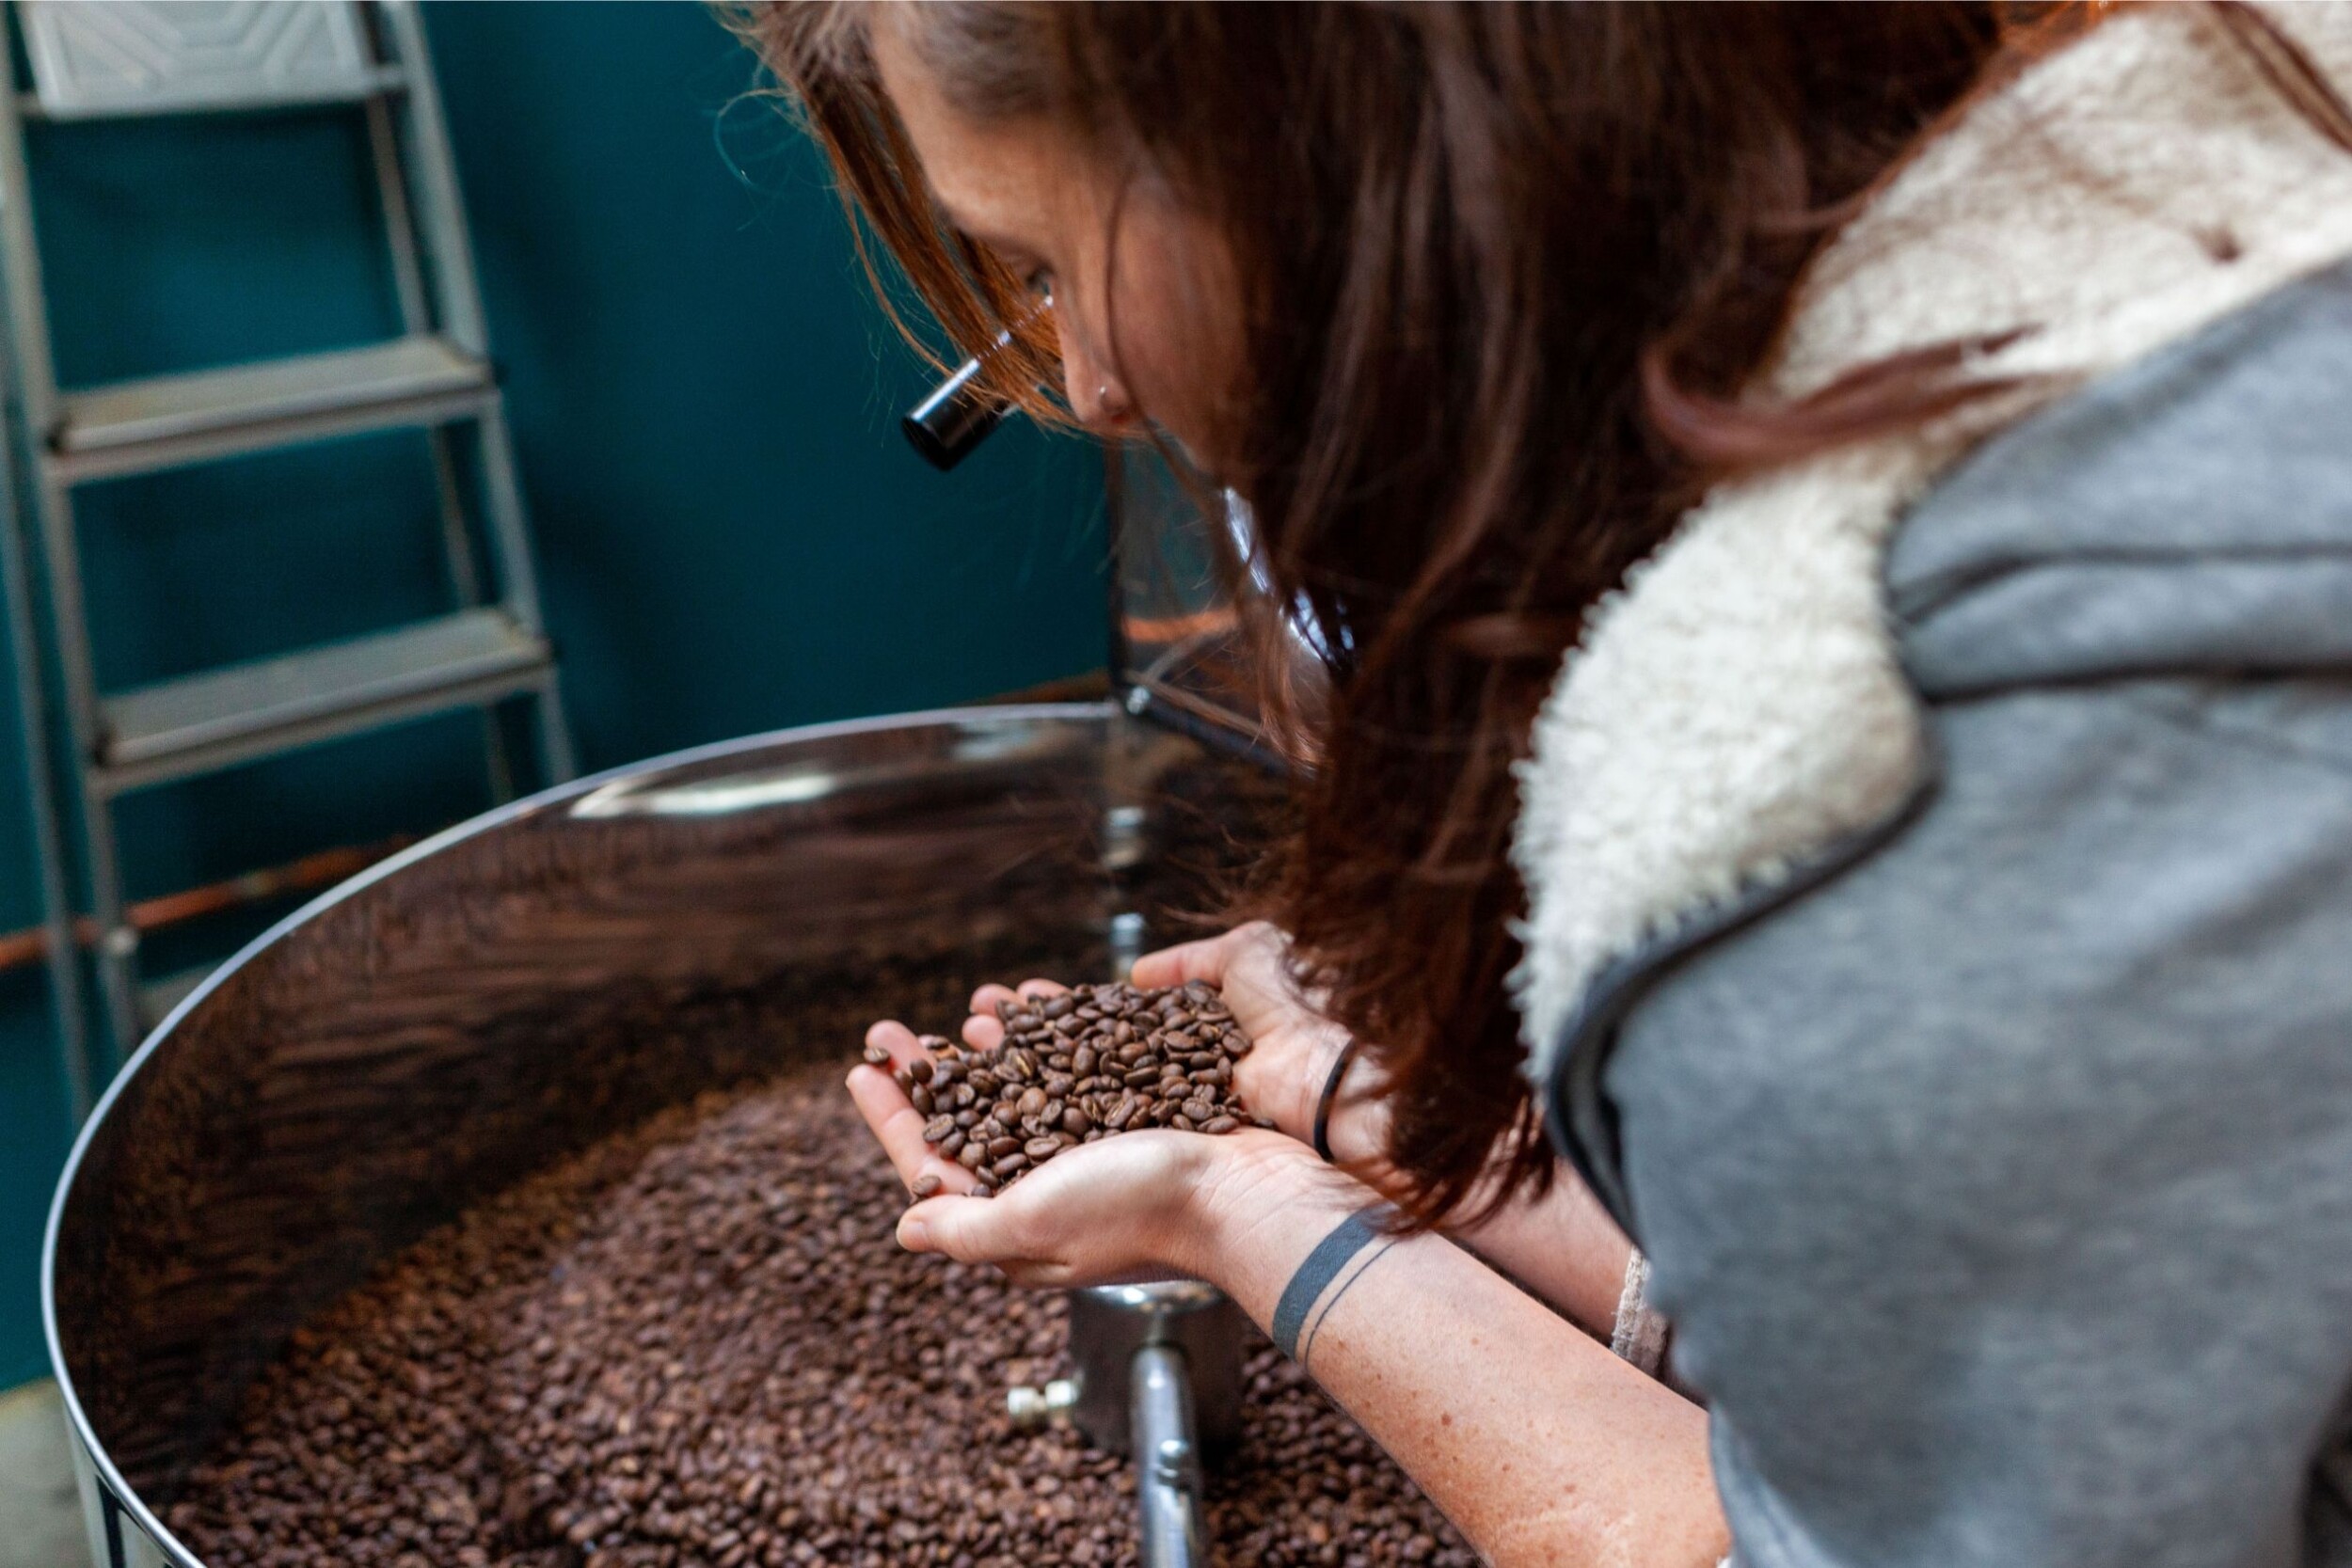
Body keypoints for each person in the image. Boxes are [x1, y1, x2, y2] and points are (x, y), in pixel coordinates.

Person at [736, 4, 2352, 1563]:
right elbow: (2013, 1319)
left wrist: (1242, 1212)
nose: (1091, 388)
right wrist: (1326, 1112)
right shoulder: (2205, 246)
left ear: (1340, 165)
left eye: (1045, 260)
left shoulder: (1864, 793)